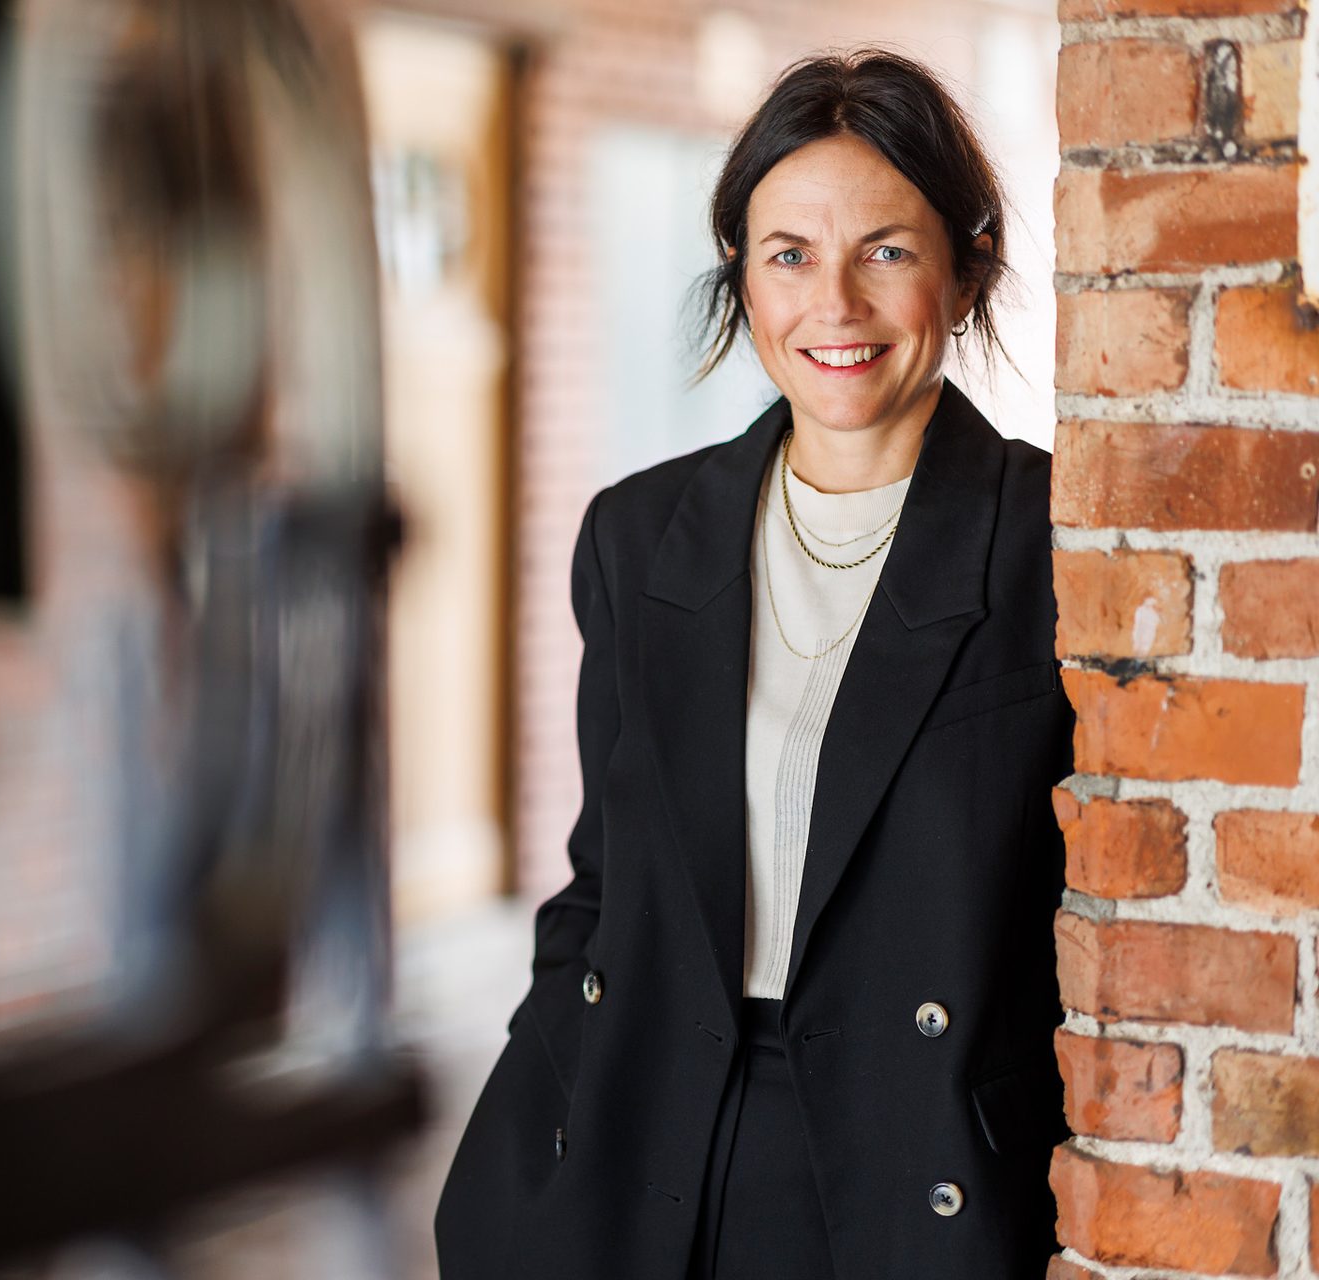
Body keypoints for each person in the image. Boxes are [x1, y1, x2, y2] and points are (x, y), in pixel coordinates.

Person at [434, 47, 1074, 1280]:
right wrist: (518, 1158)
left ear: (966, 265)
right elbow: (598, 890)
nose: (833, 305)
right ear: (742, 270)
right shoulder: (638, 535)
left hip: (909, 1169)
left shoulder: (1055, 543)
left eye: (884, 250)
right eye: (789, 255)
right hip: (642, 1157)